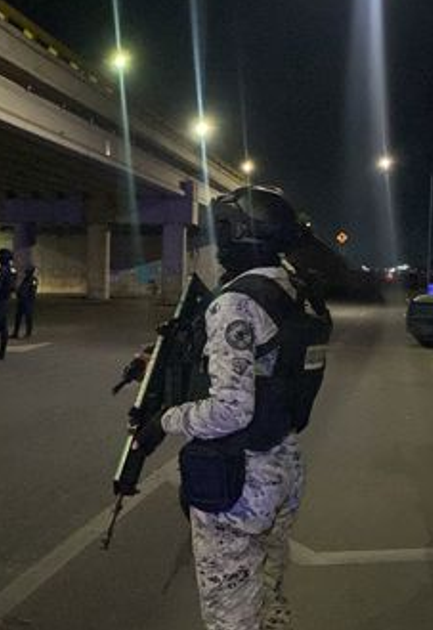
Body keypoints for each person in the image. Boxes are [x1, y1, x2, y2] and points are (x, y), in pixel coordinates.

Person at [134, 186, 329, 630]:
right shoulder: (294, 290)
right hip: (283, 464)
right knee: (268, 598)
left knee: (231, 618)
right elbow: (267, 367)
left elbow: (230, 410)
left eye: (220, 231)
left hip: (239, 479)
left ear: (237, 234)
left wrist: (163, 421)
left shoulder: (237, 302)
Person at [11, 265, 39, 339]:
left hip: (28, 301)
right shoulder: (26, 279)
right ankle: (15, 332)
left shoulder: (33, 280)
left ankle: (28, 333)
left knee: (28, 317)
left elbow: (31, 291)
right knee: (18, 317)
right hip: (22, 300)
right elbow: (21, 289)